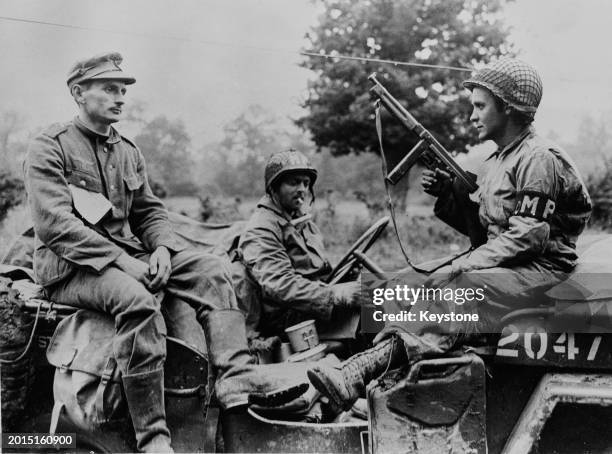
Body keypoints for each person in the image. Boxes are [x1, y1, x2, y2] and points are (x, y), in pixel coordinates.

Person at [24, 52, 309, 453]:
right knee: (138, 303)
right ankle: (153, 437)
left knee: (213, 269)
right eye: (110, 88)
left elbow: (149, 211)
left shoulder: (127, 150)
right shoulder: (50, 147)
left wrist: (160, 247)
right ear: (78, 93)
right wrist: (124, 261)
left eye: (123, 90)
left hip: (131, 257)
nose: (121, 97)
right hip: (70, 268)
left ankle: (237, 381)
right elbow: (55, 225)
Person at [307, 58, 592, 411]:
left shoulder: (538, 159)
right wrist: (449, 194)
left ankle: (358, 374)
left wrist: (463, 266)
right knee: (405, 282)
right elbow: (486, 229)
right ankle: (376, 385)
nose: (472, 116)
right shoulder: (498, 160)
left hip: (541, 269)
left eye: (479, 106)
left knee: (457, 289)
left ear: (506, 107)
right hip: (509, 262)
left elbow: (527, 238)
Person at [236, 149, 365, 338]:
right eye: (294, 182)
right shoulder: (261, 228)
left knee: (402, 292)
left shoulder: (299, 220)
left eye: (306, 183)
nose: (302, 189)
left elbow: (315, 271)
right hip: (287, 319)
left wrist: (346, 273)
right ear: (274, 187)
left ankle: (415, 352)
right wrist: (335, 294)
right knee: (387, 303)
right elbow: (280, 285)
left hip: (313, 306)